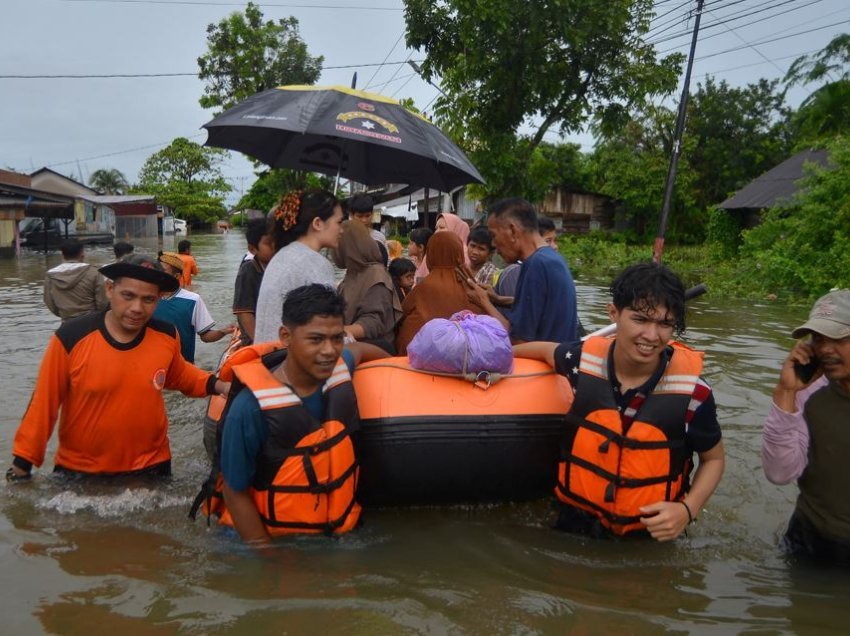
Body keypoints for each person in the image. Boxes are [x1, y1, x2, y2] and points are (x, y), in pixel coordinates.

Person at [514, 262, 725, 541]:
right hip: (575, 522)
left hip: (649, 536)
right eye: (639, 319)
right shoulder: (581, 362)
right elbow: (543, 351)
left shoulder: (694, 395)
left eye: (664, 324)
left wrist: (687, 510)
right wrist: (497, 359)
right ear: (614, 313)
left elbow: (714, 459)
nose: (651, 336)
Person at [7, 254, 230, 482]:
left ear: (159, 299)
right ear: (109, 289)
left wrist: (221, 386)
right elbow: (44, 403)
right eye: (128, 295)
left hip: (153, 466)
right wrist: (23, 464)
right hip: (81, 471)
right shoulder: (71, 338)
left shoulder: (166, 335)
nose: (137, 308)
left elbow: (180, 374)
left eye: (148, 300)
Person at [217, 284, 389, 544]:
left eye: (337, 338)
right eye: (316, 339)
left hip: (333, 524)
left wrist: (399, 361)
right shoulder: (249, 409)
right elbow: (234, 492)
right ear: (286, 336)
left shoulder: (339, 368)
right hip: (267, 535)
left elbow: (361, 350)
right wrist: (265, 553)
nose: (329, 350)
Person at [762, 289, 850, 561]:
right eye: (818, 339)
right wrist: (785, 392)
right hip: (809, 542)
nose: (824, 349)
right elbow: (780, 473)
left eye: (837, 338)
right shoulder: (807, 393)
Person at [465, 198, 580, 344]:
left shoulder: (535, 265)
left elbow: (519, 341)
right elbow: (542, 307)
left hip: (541, 365)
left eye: (494, 236)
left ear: (513, 231)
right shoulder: (551, 259)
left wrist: (483, 301)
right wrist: (498, 299)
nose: (493, 244)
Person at [253, 190, 343, 344]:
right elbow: (328, 325)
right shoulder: (317, 263)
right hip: (287, 358)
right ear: (318, 224)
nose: (341, 230)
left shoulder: (283, 255)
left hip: (265, 355)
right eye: (339, 223)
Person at [395, 232, 484, 355]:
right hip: (467, 357)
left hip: (419, 356)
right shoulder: (470, 284)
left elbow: (401, 313)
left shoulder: (423, 287)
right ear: (459, 253)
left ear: (430, 255)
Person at [154, 252, 234, 363]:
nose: (156, 274)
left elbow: (205, 335)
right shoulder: (147, 297)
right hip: (150, 365)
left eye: (162, 271)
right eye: (155, 269)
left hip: (182, 368)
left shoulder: (192, 300)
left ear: (176, 276)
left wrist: (223, 332)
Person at [336, 220, 402, 351]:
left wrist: (337, 332)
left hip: (371, 351)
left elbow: (373, 322)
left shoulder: (375, 275)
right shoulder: (353, 272)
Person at [232, 218, 276, 345]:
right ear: (252, 249)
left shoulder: (282, 267)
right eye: (269, 244)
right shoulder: (248, 271)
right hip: (254, 340)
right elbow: (245, 313)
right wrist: (260, 343)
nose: (275, 247)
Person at [43, 238, 108, 322]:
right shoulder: (94, 272)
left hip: (66, 324)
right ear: (82, 253)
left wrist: (64, 314)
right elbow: (102, 303)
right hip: (90, 323)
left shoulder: (50, 276)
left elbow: (49, 303)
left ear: (62, 254)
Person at [347, 193, 388, 260]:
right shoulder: (347, 237)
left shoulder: (380, 237)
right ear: (352, 215)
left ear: (372, 214)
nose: (364, 220)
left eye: (367, 215)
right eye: (360, 216)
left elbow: (387, 261)